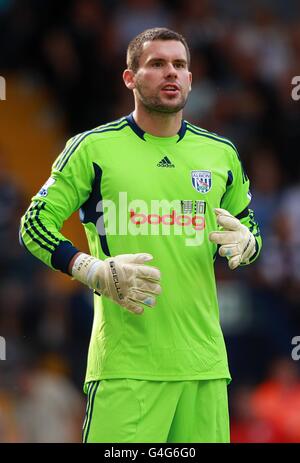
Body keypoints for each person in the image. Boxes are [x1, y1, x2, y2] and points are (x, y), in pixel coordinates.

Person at [19, 27, 262, 443]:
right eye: (157, 64)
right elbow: (34, 224)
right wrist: (90, 268)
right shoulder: (92, 149)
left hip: (204, 367)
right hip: (126, 369)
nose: (171, 73)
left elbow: (249, 228)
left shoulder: (221, 154)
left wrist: (250, 243)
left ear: (190, 78)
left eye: (180, 65)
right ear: (130, 78)